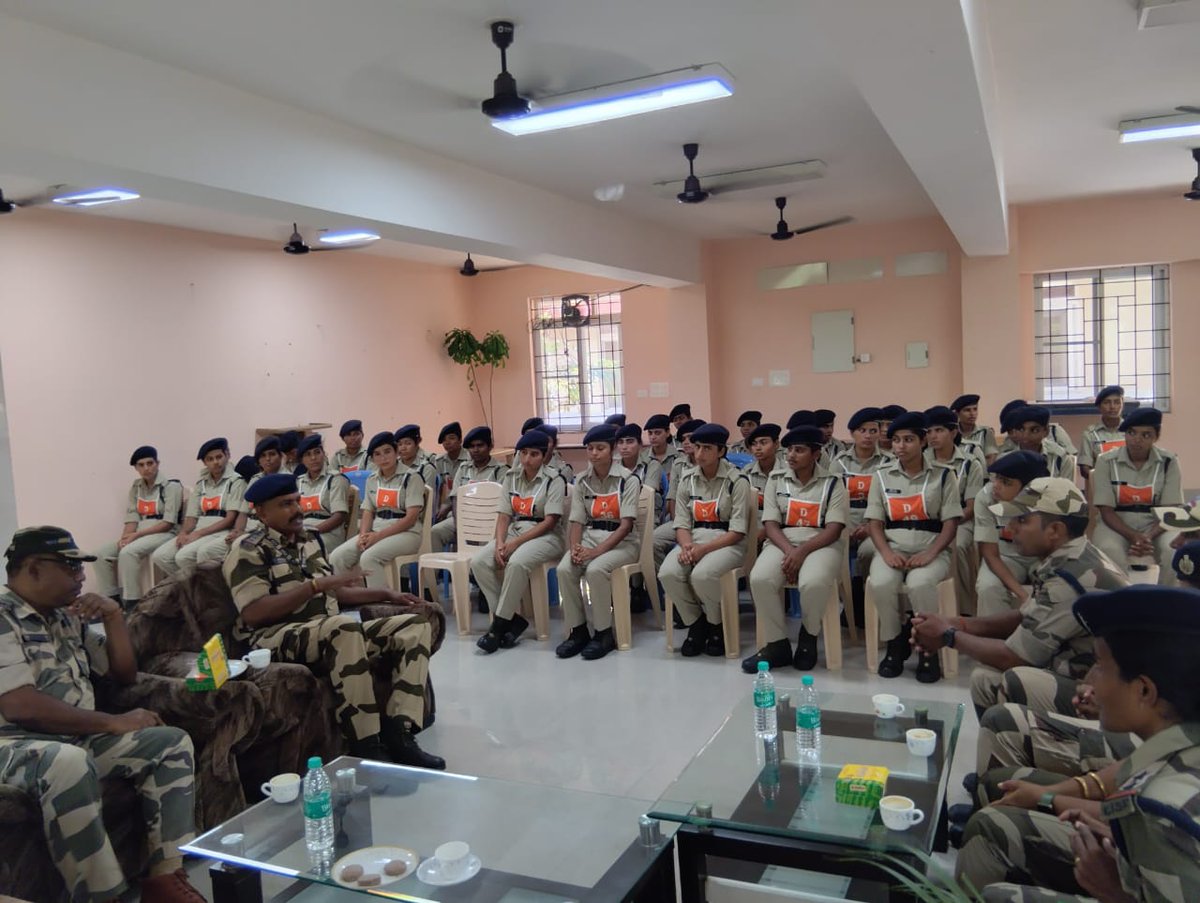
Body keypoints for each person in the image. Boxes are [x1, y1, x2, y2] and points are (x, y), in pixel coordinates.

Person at [956, 585, 1200, 903]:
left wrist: (1113, 889)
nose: (1092, 680)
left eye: (1101, 666)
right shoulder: (1178, 746)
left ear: (1144, 691)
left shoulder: (1162, 808)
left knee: (998, 895)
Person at [0, 527, 204, 903]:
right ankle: (102, 897)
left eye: (80, 569)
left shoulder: (64, 617)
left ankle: (166, 878)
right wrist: (112, 722)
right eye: (70, 567)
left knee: (169, 742)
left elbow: (123, 672)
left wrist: (112, 616)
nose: (80, 577)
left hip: (72, 738)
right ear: (32, 568)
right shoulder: (3, 617)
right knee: (67, 762)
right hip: (12, 744)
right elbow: (19, 705)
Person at [223, 475, 443, 769]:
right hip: (274, 639)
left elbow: (334, 590)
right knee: (342, 626)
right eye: (285, 504)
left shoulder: (309, 539)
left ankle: (400, 732)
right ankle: (366, 744)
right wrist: (313, 588)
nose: (296, 509)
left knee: (414, 625)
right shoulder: (249, 548)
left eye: (297, 501)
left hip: (328, 631)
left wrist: (385, 593)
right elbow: (254, 612)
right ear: (261, 512)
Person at [909, 477, 1129, 718]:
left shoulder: (1069, 579)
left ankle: (1026, 744)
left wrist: (948, 636)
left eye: (1022, 520)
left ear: (1055, 530)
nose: (1011, 527)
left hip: (1108, 699)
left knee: (1007, 680)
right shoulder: (1075, 556)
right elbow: (1025, 617)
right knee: (985, 678)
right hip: (1094, 676)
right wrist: (958, 623)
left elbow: (1014, 656)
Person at [865, 411, 962, 683]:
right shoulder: (881, 476)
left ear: (923, 441)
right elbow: (874, 523)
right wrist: (886, 553)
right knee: (881, 583)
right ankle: (896, 643)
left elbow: (951, 523)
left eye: (908, 439)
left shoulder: (944, 476)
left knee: (920, 584)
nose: (900, 446)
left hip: (932, 550)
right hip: (892, 548)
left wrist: (930, 553)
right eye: (896, 440)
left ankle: (927, 649)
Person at [742, 425, 848, 673]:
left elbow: (834, 528)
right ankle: (777, 644)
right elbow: (770, 523)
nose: (790, 455)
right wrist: (790, 550)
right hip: (782, 541)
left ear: (816, 453)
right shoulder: (776, 480)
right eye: (789, 449)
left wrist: (801, 552)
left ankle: (808, 636)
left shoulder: (833, 483)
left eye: (799, 450)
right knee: (760, 578)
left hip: (822, 543)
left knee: (813, 582)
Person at [660, 423, 752, 658]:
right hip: (693, 539)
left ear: (721, 451)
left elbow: (738, 531)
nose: (699, 454)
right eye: (697, 447)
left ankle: (716, 625)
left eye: (707, 448)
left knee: (702, 575)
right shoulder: (687, 479)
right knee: (667, 573)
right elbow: (680, 522)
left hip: (727, 543)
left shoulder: (737, 481)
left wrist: (703, 550)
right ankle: (696, 622)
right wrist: (688, 545)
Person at [470, 429, 566, 651]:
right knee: (479, 562)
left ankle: (497, 627)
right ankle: (512, 620)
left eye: (533, 454)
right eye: (523, 453)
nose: (527, 459)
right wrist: (500, 542)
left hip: (547, 536)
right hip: (515, 531)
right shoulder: (511, 477)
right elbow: (504, 515)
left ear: (543, 456)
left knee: (517, 562)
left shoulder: (554, 480)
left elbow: (550, 521)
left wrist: (515, 544)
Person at [554, 425, 641, 660]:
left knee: (596, 569)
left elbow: (626, 525)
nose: (594, 453)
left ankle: (604, 634)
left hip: (623, 544)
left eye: (600, 448)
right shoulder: (582, 481)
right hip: (589, 539)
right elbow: (576, 521)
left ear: (612, 450)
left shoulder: (628, 480)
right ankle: (578, 631)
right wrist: (575, 549)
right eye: (590, 449)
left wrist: (595, 552)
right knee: (564, 569)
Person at [1090, 407, 1182, 584]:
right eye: (1131, 433)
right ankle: (1118, 602)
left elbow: (1170, 509)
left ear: (1156, 436)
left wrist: (1147, 536)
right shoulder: (1106, 461)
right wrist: (1133, 535)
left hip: (1158, 523)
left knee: (1175, 550)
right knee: (1108, 549)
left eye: (1146, 435)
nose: (1137, 440)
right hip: (1116, 522)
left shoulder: (1169, 461)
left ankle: (1168, 600)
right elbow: (1106, 511)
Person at [328, 431, 426, 588]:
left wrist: (378, 536)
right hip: (377, 530)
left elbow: (411, 518)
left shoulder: (411, 477)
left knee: (369, 557)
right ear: (372, 459)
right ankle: (356, 598)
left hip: (408, 533)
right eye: (378, 454)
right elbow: (368, 511)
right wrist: (363, 536)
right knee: (337, 557)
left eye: (387, 451)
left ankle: (382, 604)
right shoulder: (372, 479)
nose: (384, 458)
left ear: (396, 452)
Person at [93, 446, 183, 608]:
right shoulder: (136, 488)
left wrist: (136, 536)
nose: (146, 468)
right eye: (141, 465)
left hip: (165, 532)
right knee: (100, 554)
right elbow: (132, 517)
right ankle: (112, 603)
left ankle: (132, 605)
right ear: (136, 468)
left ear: (157, 463)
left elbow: (168, 522)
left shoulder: (171, 487)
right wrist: (125, 537)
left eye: (150, 463)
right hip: (140, 533)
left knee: (129, 552)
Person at [151, 437, 247, 578]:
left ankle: (199, 592)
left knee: (183, 557)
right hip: (199, 528)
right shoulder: (201, 483)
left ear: (227, 455)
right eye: (210, 459)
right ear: (205, 462)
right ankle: (187, 588)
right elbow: (192, 516)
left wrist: (199, 533)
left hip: (221, 530)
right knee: (160, 556)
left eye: (219, 457)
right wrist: (184, 533)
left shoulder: (236, 481)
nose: (215, 462)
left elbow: (230, 519)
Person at [925, 405, 986, 614]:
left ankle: (962, 608)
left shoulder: (970, 464)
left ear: (953, 432)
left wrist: (949, 523)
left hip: (961, 520)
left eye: (939, 430)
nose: (933, 436)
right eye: (929, 431)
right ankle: (920, 611)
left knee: (957, 545)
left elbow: (971, 506)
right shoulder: (920, 461)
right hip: (927, 522)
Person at [974, 451, 1049, 615]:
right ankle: (992, 637)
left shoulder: (1050, 498)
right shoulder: (986, 497)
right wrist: (1022, 595)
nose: (996, 485)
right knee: (988, 586)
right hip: (1005, 555)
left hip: (1043, 556)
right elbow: (990, 554)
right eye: (997, 477)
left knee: (1056, 586)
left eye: (1006, 482)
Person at [831, 407, 892, 576]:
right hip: (844, 523)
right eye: (862, 430)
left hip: (877, 524)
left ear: (879, 433)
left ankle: (866, 592)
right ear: (852, 433)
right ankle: (846, 597)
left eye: (873, 431)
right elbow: (830, 501)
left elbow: (892, 501)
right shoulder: (839, 462)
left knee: (869, 551)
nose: (868, 436)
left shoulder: (890, 462)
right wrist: (843, 529)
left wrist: (870, 527)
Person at [429, 426, 508, 550]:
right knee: (435, 532)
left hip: (489, 521)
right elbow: (455, 499)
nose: (475, 450)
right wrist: (459, 525)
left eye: (480, 445)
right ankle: (438, 570)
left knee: (481, 545)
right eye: (471, 446)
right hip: (464, 518)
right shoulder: (464, 468)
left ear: (490, 446)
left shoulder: (501, 471)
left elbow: (503, 506)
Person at [653, 418, 704, 573]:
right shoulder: (679, 464)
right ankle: (667, 581)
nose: (686, 442)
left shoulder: (716, 463)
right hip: (682, 520)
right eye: (683, 439)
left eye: (691, 438)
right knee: (652, 540)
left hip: (707, 521)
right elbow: (672, 497)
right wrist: (679, 524)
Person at [295, 433, 351, 550]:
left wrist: (311, 532)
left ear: (324, 454)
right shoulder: (298, 482)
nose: (313, 458)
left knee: (302, 548)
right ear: (302, 460)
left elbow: (339, 517)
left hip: (329, 533)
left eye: (317, 452)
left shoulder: (336, 479)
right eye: (308, 454)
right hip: (302, 530)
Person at [228, 435, 288, 540]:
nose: (268, 459)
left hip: (269, 531)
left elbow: (281, 519)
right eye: (263, 456)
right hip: (248, 527)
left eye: (272, 454)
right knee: (209, 550)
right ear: (258, 461)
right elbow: (244, 512)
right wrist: (238, 531)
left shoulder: (287, 479)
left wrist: (244, 536)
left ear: (281, 456)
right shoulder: (255, 479)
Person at [1009, 404, 1077, 481]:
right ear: (1014, 431)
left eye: (1034, 430)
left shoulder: (1059, 458)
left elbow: (1067, 490)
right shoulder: (1006, 459)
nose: (1026, 436)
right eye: (1021, 429)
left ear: (1046, 431)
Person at [741, 423, 782, 545]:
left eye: (763, 443)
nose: (758, 448)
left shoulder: (788, 473)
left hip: (781, 529)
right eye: (754, 444)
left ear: (776, 444)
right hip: (751, 529)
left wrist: (765, 531)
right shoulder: (746, 472)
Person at [1078, 386, 1126, 487]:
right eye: (1107, 402)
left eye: (1117, 402)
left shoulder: (1131, 431)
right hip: (1101, 487)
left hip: (1129, 485)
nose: (1112, 407)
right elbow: (1085, 470)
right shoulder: (1090, 434)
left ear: (1122, 404)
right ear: (1099, 406)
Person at [432, 421, 465, 523]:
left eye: (451, 438)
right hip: (450, 503)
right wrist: (437, 508)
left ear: (460, 440)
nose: (447, 442)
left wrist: (447, 506)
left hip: (466, 504)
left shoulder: (470, 459)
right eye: (444, 440)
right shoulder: (440, 461)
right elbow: (438, 487)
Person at [953, 393, 999, 465]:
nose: (972, 413)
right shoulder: (952, 433)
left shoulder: (985, 432)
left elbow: (991, 457)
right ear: (957, 414)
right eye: (967, 410)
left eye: (975, 409)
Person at [394, 424, 437, 491]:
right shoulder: (395, 464)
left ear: (417, 443)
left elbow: (427, 496)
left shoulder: (427, 466)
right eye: (399, 444)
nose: (403, 448)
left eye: (408, 443)